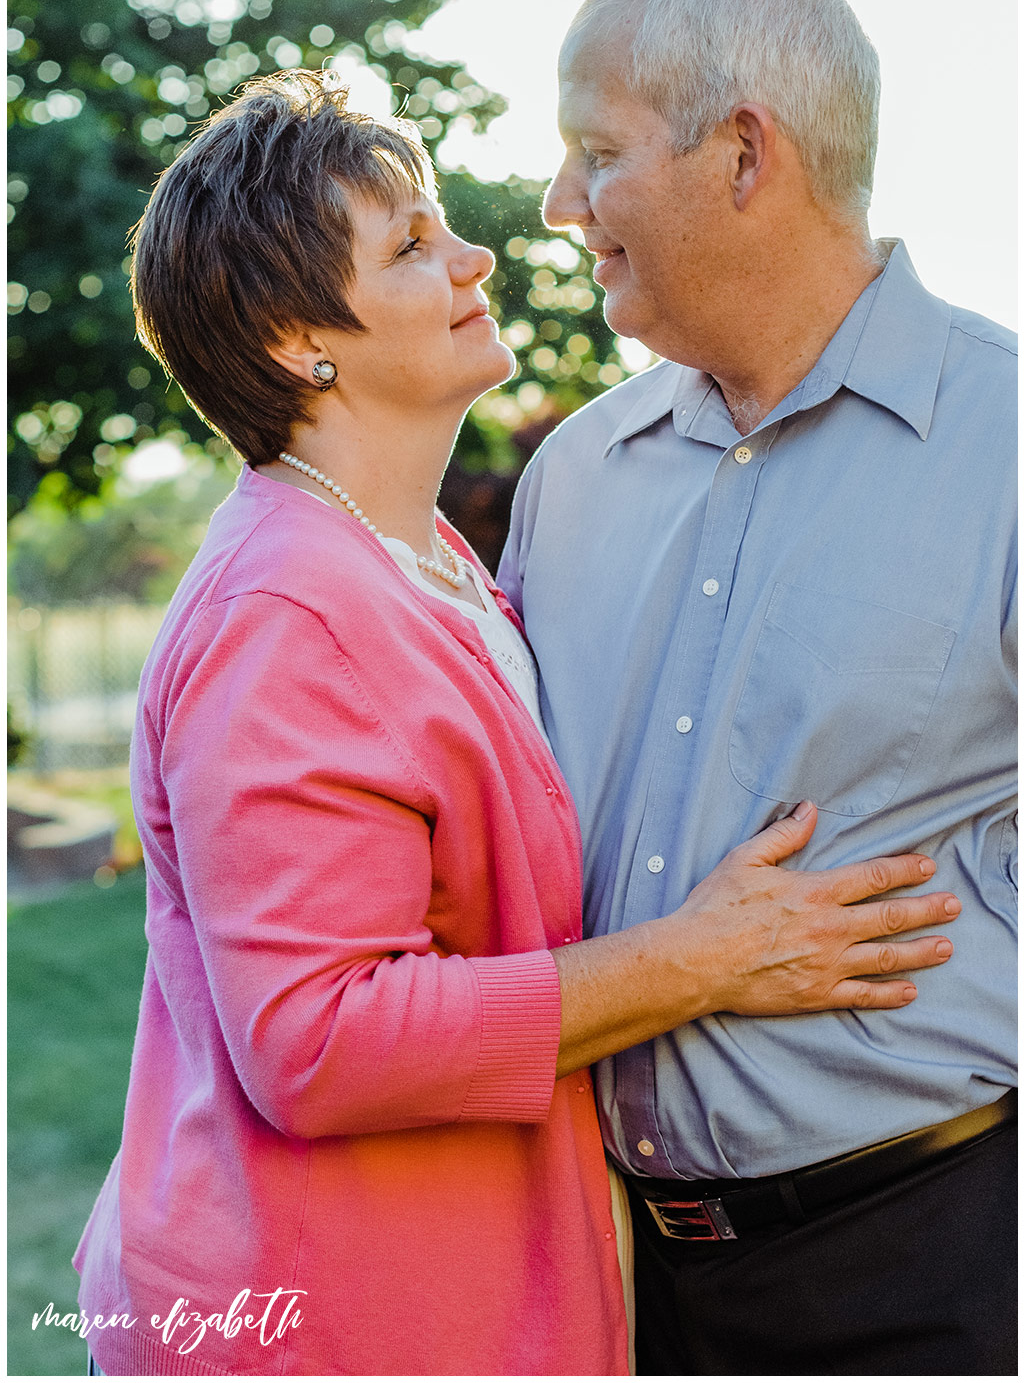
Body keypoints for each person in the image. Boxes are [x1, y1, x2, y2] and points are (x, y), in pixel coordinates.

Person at [73, 69, 961, 1379]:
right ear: (291, 341)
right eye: (412, 245)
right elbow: (318, 1042)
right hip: (324, 1320)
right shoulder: (287, 615)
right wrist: (703, 960)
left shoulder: (417, 558)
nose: (474, 254)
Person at [498, 0, 1017, 1377]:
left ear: (742, 152)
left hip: (941, 1260)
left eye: (592, 155)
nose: (557, 208)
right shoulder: (576, 478)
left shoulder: (1011, 441)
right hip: (610, 1270)